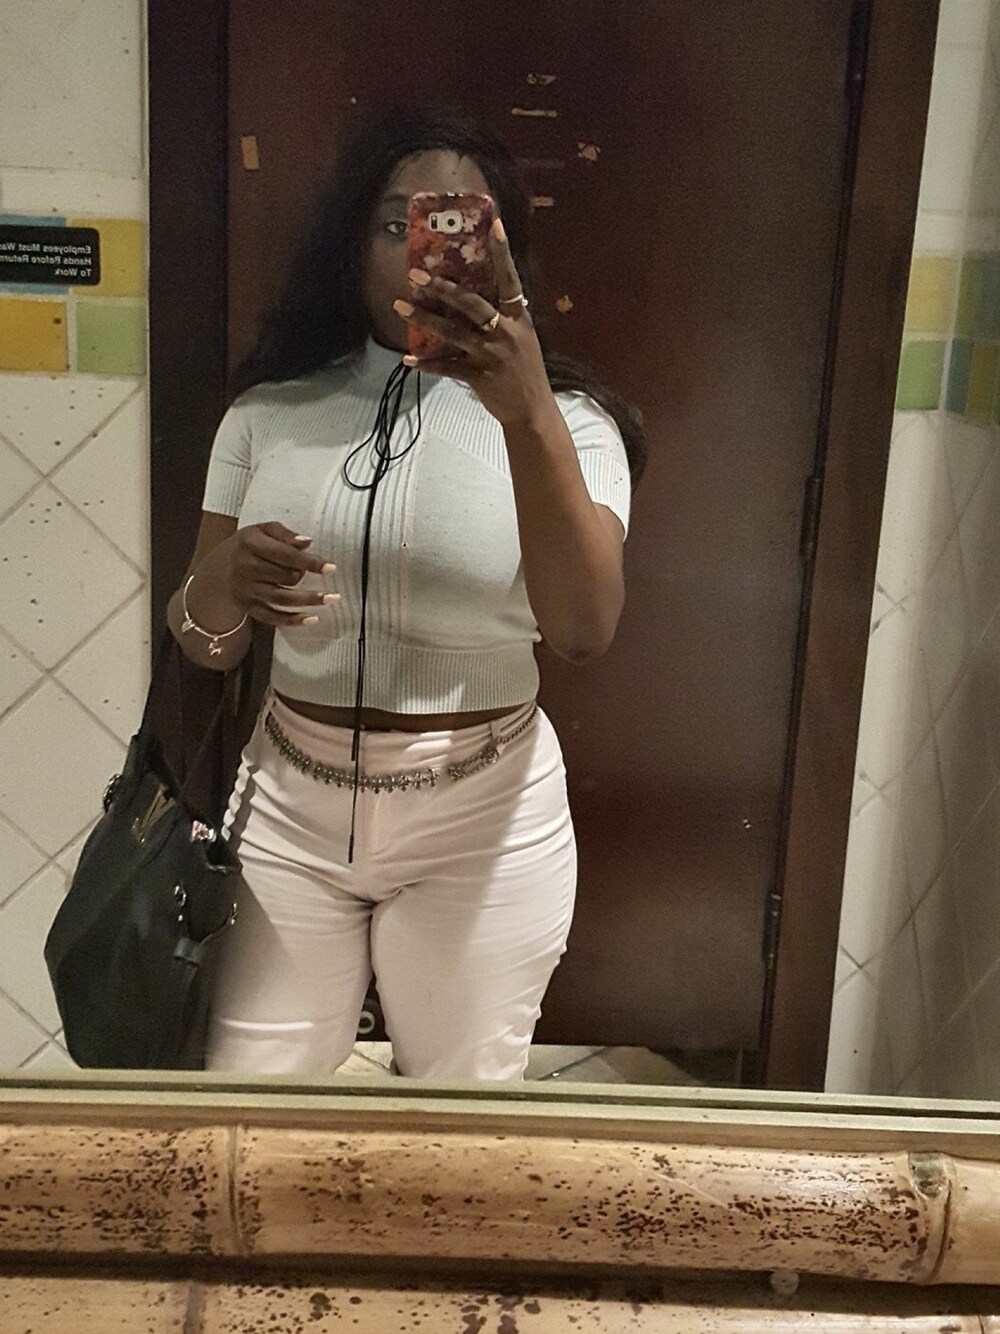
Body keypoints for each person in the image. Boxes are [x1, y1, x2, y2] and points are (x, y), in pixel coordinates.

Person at [168, 106, 646, 1081]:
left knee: (460, 1112)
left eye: (460, 224)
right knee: (253, 1104)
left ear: (504, 248)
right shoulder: (268, 414)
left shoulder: (574, 424)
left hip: (485, 813)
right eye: (396, 224)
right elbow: (201, 639)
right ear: (352, 245)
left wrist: (527, 412)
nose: (424, 253)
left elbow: (584, 628)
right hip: (288, 804)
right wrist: (223, 581)